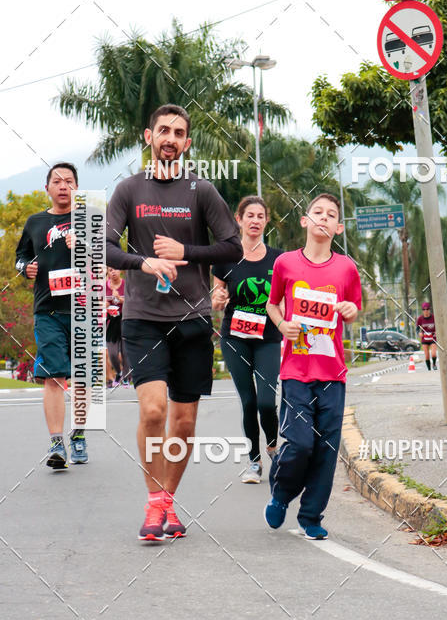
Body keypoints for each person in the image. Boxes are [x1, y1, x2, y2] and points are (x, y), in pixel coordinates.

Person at [106, 104, 242, 541]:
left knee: (182, 424)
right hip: (143, 317)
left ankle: (167, 501)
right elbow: (104, 247)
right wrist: (142, 262)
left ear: (187, 143)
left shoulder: (201, 191)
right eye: (162, 130)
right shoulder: (128, 190)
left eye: (178, 132)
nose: (170, 137)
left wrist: (186, 253)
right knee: (153, 410)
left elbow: (232, 247)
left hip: (192, 319)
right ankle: (153, 504)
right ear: (149, 137)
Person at [264, 193, 362, 540]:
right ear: (305, 221)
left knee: (326, 448)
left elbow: (351, 308)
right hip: (296, 371)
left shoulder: (346, 268)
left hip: (332, 373)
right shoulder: (285, 264)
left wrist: (350, 311)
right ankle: (281, 492)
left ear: (338, 227)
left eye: (331, 214)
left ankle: (311, 515)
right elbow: (272, 304)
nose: (323, 217)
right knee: (301, 442)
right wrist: (282, 325)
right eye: (317, 212)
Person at [15, 163, 88, 468]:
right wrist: (25, 268)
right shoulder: (35, 222)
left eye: (69, 181)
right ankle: (57, 443)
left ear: (76, 188)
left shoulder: (88, 220)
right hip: (48, 310)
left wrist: (82, 244)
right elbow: (20, 257)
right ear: (47, 187)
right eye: (56, 181)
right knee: (54, 377)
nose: (62, 185)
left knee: (83, 378)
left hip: (84, 309)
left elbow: (108, 256)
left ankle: (79, 435)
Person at [212, 196, 282, 484]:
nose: (255, 220)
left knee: (267, 401)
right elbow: (217, 296)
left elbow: (284, 299)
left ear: (266, 221)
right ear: (238, 220)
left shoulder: (279, 258)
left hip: (268, 337)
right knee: (249, 401)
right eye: (249, 215)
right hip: (235, 338)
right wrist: (217, 297)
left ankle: (274, 447)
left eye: (260, 216)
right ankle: (254, 462)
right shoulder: (225, 257)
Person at [105, 267, 130, 387]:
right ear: (108, 273)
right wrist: (104, 304)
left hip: (125, 319)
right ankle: (119, 373)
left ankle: (126, 378)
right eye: (110, 270)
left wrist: (119, 298)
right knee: (112, 353)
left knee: (126, 352)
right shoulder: (104, 286)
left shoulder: (126, 284)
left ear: (120, 271)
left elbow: (133, 302)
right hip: (111, 320)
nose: (113, 272)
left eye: (115, 269)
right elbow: (98, 301)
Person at [416, 302, 437, 370]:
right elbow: (417, 329)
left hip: (433, 338)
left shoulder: (433, 317)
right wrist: (419, 333)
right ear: (422, 310)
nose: (426, 311)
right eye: (424, 309)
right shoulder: (420, 319)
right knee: (427, 355)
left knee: (433, 353)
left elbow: (438, 326)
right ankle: (429, 369)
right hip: (425, 339)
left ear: (429, 310)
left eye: (427, 309)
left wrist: (437, 332)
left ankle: (434, 364)